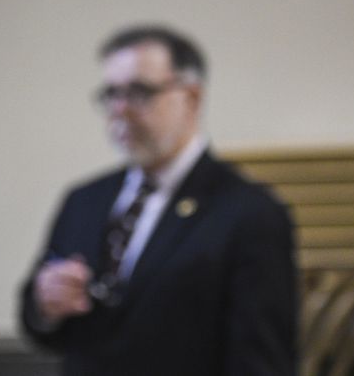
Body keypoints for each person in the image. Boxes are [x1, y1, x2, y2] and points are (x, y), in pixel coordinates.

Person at [20, 25, 298, 375]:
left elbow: (261, 362)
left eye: (139, 92)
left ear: (191, 98)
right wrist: (45, 305)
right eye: (111, 94)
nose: (119, 109)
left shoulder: (250, 213)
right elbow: (40, 325)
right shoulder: (84, 200)